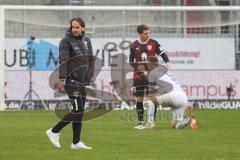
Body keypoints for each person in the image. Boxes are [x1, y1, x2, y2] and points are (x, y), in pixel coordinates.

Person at [46, 17, 94, 149]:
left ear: (83, 28)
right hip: (71, 80)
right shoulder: (66, 41)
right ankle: (54, 131)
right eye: (73, 27)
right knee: (77, 110)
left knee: (80, 111)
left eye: (77, 27)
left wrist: (89, 76)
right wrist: (62, 78)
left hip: (82, 81)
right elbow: (63, 60)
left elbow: (90, 59)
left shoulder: (87, 40)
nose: (75, 29)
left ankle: (76, 142)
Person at [129, 24, 170, 129]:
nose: (148, 35)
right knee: (139, 98)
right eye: (145, 33)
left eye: (148, 33)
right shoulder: (134, 45)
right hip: (138, 76)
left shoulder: (153, 43)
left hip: (152, 76)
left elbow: (162, 53)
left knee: (152, 97)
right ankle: (140, 123)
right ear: (139, 34)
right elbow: (130, 61)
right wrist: (140, 69)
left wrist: (167, 62)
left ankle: (151, 122)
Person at [143, 56, 192, 129]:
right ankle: (185, 122)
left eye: (147, 63)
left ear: (151, 63)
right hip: (183, 99)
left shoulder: (152, 73)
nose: (146, 65)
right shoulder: (163, 69)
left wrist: (147, 78)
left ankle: (150, 123)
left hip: (173, 97)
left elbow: (151, 91)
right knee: (174, 125)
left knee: (150, 100)